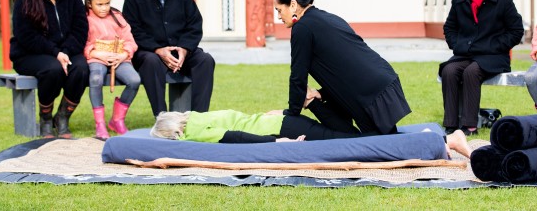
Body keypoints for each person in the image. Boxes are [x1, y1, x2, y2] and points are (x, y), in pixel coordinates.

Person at [271, 0, 412, 136]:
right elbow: (344, 66)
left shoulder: (302, 28)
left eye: (279, 10)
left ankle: (436, 142)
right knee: (382, 139)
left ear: (293, 5)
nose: (279, 16)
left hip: (367, 92)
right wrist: (321, 93)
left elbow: (298, 75)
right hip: (382, 82)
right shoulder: (328, 17)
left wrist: (292, 112)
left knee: (369, 143)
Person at [440, 0, 524, 136]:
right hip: (465, 54)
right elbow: (449, 27)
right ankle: (451, 125)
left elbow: (517, 31)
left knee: (471, 72)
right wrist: (457, 45)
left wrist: (495, 45)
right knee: (449, 70)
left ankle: (469, 125)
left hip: (493, 57)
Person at [150, 110, 472, 158]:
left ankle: (445, 141)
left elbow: (235, 137)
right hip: (285, 119)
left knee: (359, 143)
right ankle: (434, 137)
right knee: (353, 137)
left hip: (284, 129)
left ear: (174, 133)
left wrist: (276, 143)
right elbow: (241, 120)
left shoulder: (194, 132)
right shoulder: (199, 115)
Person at [123, 0, 215, 117]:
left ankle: (198, 118)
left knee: (205, 61)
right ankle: (162, 117)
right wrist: (158, 49)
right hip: (150, 52)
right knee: (151, 62)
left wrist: (184, 49)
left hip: (180, 50)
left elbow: (194, 24)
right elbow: (132, 29)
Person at [10, 0, 89, 138]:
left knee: (81, 68)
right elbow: (26, 36)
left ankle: (62, 117)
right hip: (30, 53)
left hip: (66, 51)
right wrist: (55, 52)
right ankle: (45, 118)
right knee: (52, 69)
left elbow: (80, 31)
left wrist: (65, 52)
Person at [83, 0, 141, 139]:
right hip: (97, 57)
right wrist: (95, 54)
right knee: (95, 78)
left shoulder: (117, 17)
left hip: (119, 57)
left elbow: (130, 41)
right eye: (99, 4)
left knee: (134, 80)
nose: (104, 8)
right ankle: (100, 124)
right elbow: (82, 43)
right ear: (89, 3)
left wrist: (123, 54)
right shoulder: (85, 18)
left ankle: (117, 119)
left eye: (107, 3)